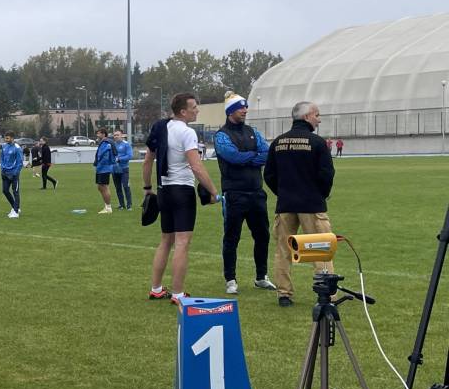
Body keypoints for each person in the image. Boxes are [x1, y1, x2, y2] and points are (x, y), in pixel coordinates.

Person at [142, 93, 219, 304]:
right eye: (194, 107)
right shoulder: (187, 132)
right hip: (182, 191)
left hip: (164, 190)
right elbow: (196, 166)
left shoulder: (161, 127)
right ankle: (177, 294)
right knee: (182, 242)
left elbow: (147, 160)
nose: (197, 110)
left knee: (165, 240)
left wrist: (147, 188)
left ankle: (156, 288)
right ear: (183, 111)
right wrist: (213, 191)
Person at [263, 101, 335, 307]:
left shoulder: (278, 142)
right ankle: (326, 294)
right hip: (312, 205)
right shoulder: (317, 142)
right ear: (307, 116)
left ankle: (284, 294)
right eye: (317, 115)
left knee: (283, 251)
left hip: (285, 204)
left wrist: (283, 192)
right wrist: (321, 194)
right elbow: (326, 173)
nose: (319, 120)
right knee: (320, 249)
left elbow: (269, 175)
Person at [214, 92, 277, 294]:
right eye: (241, 108)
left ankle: (261, 277)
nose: (245, 110)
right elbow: (233, 157)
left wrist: (247, 158)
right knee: (232, 237)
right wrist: (253, 157)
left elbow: (267, 154)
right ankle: (230, 279)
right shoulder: (221, 135)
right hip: (234, 194)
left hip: (256, 193)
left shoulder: (252, 132)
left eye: (246, 107)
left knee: (262, 235)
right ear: (230, 111)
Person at [93, 128, 117, 214]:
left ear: (103, 134)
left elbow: (104, 156)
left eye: (98, 133)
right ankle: (106, 206)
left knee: (104, 187)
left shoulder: (106, 143)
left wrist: (100, 166)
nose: (97, 135)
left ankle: (108, 207)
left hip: (104, 168)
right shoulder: (104, 142)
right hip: (101, 168)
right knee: (100, 187)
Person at [0, 132, 22, 218]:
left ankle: (16, 212)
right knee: (5, 191)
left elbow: (20, 162)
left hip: (13, 174)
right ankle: (15, 207)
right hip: (5, 173)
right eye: (5, 138)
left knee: (15, 192)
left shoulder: (17, 148)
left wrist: (15, 173)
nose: (6, 140)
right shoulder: (4, 146)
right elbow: (2, 158)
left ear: (12, 138)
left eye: (7, 138)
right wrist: (2, 168)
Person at [112, 130, 133, 210]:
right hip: (114, 169)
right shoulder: (113, 145)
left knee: (126, 186)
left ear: (122, 135)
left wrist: (119, 159)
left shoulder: (126, 144)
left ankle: (129, 205)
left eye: (117, 135)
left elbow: (130, 156)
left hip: (124, 169)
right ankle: (121, 205)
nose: (116, 136)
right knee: (118, 188)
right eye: (114, 135)